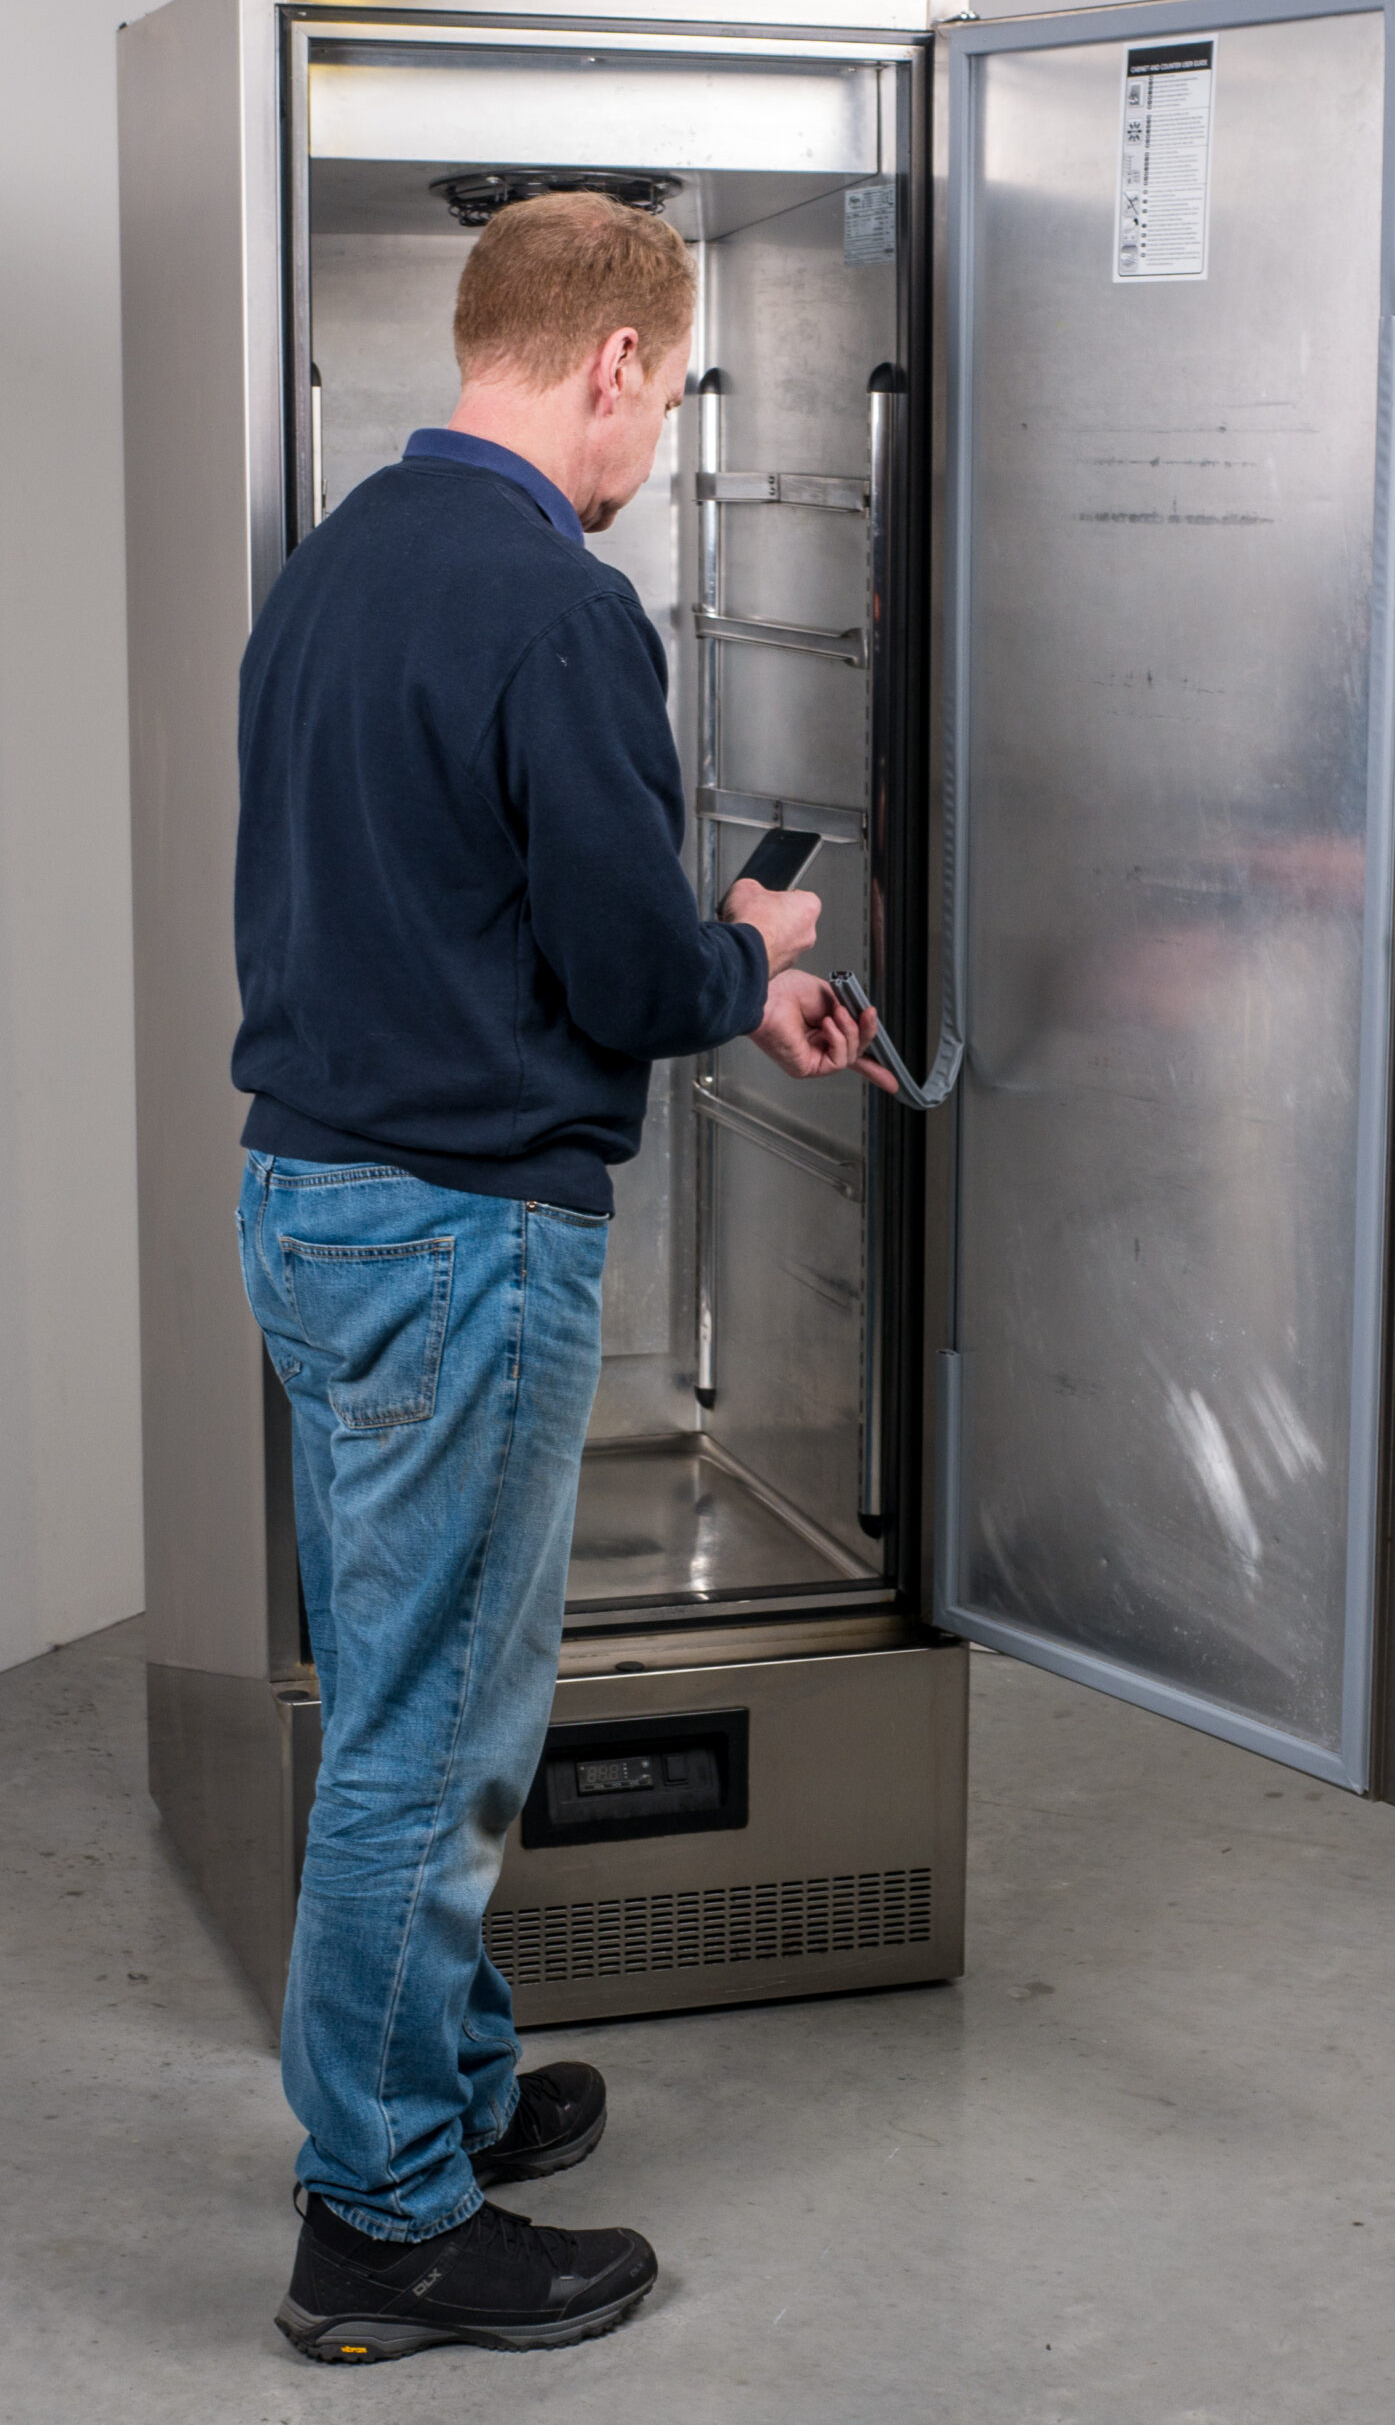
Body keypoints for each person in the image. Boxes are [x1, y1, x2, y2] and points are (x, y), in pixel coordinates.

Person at [231, 191, 894, 2365]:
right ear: (615, 363)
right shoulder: (553, 603)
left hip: (318, 1196)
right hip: (461, 1229)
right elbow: (624, 965)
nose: (657, 433)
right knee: (429, 1740)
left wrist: (699, 970)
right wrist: (754, 956)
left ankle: (451, 2098)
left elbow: (431, 903)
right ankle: (380, 2225)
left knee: (393, 1684)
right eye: (670, 387)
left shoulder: (332, 564)